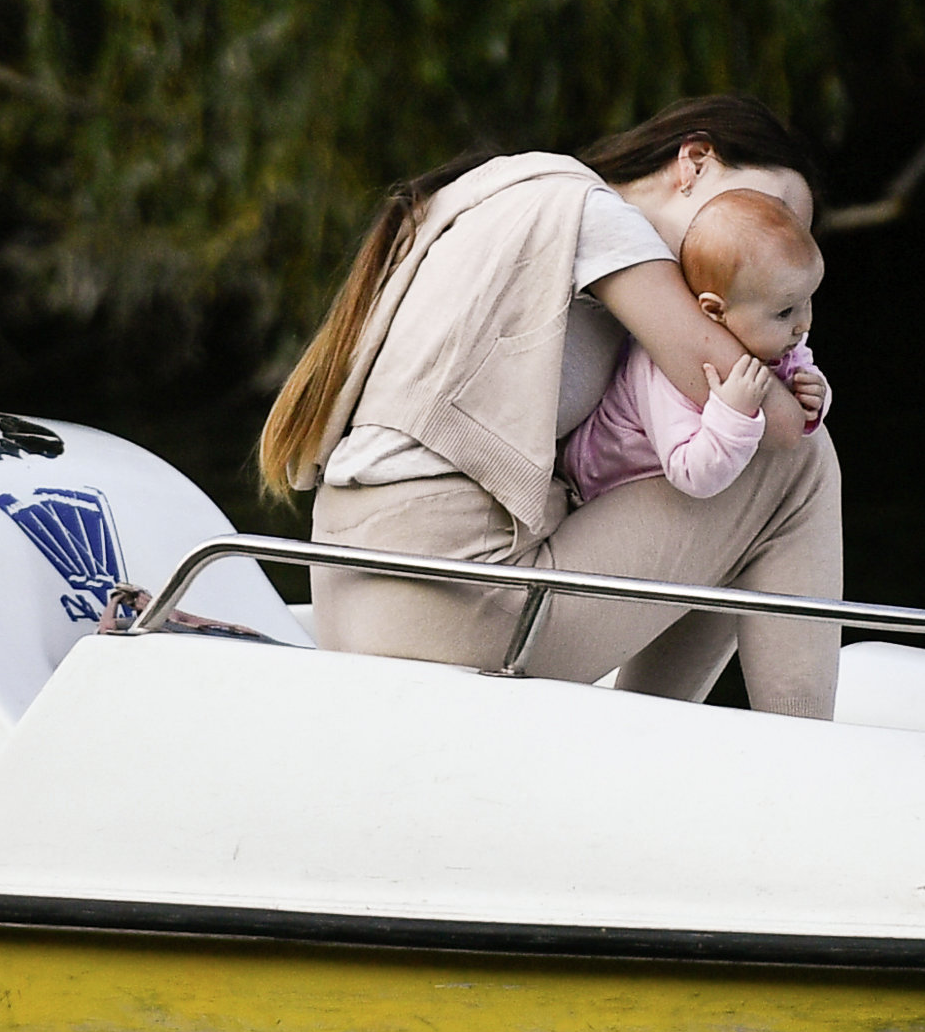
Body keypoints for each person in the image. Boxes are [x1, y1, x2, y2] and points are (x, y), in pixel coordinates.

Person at [260, 96, 846, 714]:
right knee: (791, 458)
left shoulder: (504, 198)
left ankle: (654, 741)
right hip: (451, 605)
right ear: (694, 162)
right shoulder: (600, 221)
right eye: (769, 212)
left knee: (720, 459)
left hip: (349, 591)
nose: (772, 253)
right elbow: (782, 424)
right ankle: (803, 754)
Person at [559, 189, 826, 511]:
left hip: (673, 481)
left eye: (808, 301)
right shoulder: (668, 370)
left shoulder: (775, 333)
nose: (804, 324)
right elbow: (691, 474)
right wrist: (734, 414)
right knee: (802, 462)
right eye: (786, 312)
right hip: (604, 488)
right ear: (715, 311)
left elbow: (799, 364)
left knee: (810, 449)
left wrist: (814, 394)